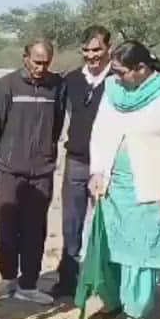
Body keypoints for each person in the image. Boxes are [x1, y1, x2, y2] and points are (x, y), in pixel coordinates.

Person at [78, 40, 160, 319]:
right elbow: (100, 133)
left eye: (122, 71)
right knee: (111, 247)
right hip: (115, 185)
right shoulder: (113, 91)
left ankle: (135, 312)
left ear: (142, 68)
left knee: (140, 253)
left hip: (151, 188)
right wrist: (97, 171)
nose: (116, 77)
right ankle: (113, 301)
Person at [0, 40, 66, 304]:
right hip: (8, 170)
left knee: (35, 230)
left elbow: (57, 124)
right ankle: (8, 277)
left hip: (41, 171)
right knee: (5, 227)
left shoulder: (56, 87)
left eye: (46, 62)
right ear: (25, 58)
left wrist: (46, 153)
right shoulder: (6, 86)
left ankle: (29, 284)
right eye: (36, 61)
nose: (40, 68)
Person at [52, 26, 114, 300]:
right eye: (87, 50)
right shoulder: (72, 80)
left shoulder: (118, 79)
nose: (92, 56)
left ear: (108, 48)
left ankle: (103, 281)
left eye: (97, 49)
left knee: (105, 223)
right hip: (77, 159)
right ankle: (68, 279)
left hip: (108, 164)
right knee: (72, 223)